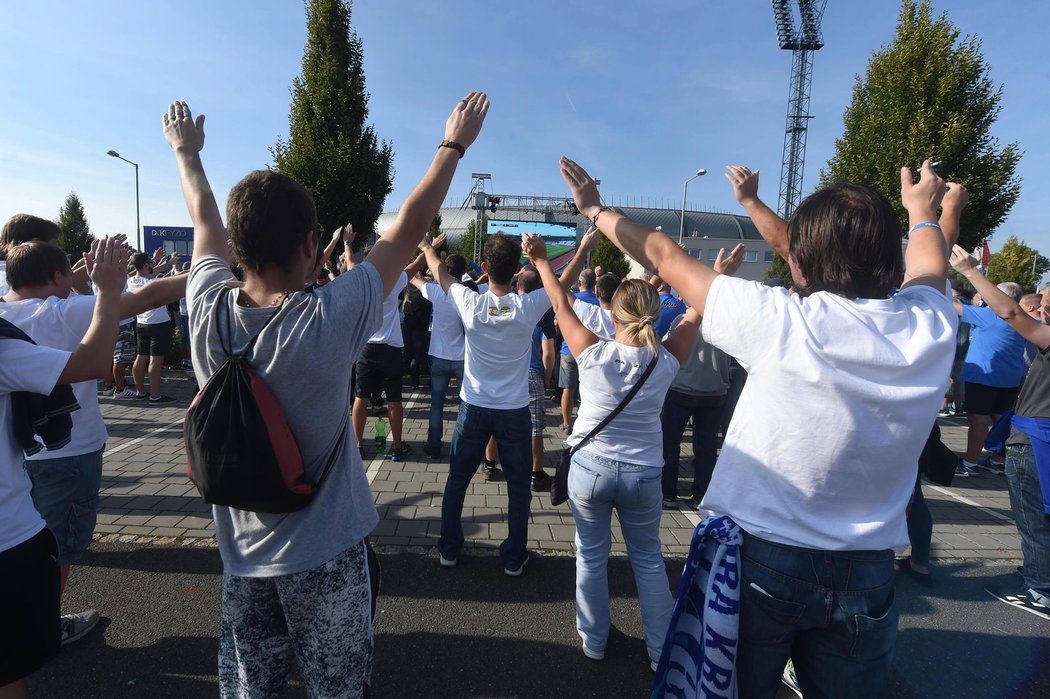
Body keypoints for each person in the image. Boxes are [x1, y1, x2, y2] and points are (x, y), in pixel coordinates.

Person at [559, 156, 961, 697]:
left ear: (797, 263)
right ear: (891, 256)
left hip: (763, 559)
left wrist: (595, 211)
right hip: (868, 568)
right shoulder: (930, 325)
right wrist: (925, 213)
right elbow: (931, 270)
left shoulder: (780, 319)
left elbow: (660, 252)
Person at [165, 93, 488, 697]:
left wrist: (187, 153)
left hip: (241, 554)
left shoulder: (206, 306)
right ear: (311, 245)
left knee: (248, 685)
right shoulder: (329, 317)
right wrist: (453, 144)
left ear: (238, 248)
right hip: (327, 551)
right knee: (336, 686)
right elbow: (410, 226)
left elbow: (204, 220)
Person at [522, 232, 703, 669]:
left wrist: (542, 259)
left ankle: (594, 640)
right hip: (644, 475)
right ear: (654, 314)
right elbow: (697, 311)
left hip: (590, 470)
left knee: (590, 555)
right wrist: (719, 275)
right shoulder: (666, 360)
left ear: (614, 314)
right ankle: (661, 651)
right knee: (648, 560)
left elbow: (559, 304)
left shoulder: (591, 352)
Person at [1, 240, 186, 645]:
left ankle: (30, 621)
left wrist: (86, 274)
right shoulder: (68, 310)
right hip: (71, 452)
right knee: (60, 544)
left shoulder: (4, 313)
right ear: (56, 277)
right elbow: (150, 294)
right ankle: (44, 626)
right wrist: (206, 271)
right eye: (69, 275)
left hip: (22, 453)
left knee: (27, 540)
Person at [0, 236, 127, 699]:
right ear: (56, 276)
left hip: (28, 475)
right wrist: (108, 291)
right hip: (18, 520)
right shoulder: (56, 316)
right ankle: (46, 627)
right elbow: (93, 362)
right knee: (9, 667)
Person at [418, 231, 550, 576]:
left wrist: (427, 247)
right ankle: (513, 557)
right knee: (519, 487)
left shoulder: (470, 301)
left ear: (486, 266)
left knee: (457, 480)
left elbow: (439, 272)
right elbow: (559, 284)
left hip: (473, 407)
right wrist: (552, 255)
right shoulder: (528, 306)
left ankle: (448, 548)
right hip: (514, 411)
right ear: (518, 270)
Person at [950, 246, 1050, 620]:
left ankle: (1039, 590)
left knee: (1032, 518)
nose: (1037, 310)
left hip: (1033, 436)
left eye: (1044, 307)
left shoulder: (1020, 326)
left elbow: (1006, 311)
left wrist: (971, 272)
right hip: (1023, 409)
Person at [659, 244, 745, 510]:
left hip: (682, 389)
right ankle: (701, 495)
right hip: (715, 391)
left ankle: (669, 493)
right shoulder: (726, 322)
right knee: (706, 447)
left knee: (670, 443)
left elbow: (668, 350)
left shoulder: (682, 322)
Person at [350, 245, 433, 461]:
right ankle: (397, 446)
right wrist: (429, 247)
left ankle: (357, 444)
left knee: (361, 397)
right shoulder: (393, 281)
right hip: (392, 348)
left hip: (366, 348)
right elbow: (416, 266)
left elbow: (350, 262)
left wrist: (347, 243)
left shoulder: (359, 283)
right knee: (394, 399)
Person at [953, 280, 1027, 475]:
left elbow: (953, 307)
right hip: (1010, 378)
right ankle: (997, 460)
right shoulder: (1022, 318)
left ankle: (970, 463)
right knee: (1001, 420)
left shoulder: (990, 315)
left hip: (984, 376)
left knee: (978, 419)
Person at [411, 253, 468, 460]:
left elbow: (412, 277)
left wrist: (426, 252)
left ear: (444, 270)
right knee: (464, 406)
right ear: (462, 273)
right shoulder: (466, 294)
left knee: (436, 404)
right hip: (462, 358)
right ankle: (461, 447)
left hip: (438, 355)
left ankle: (433, 445)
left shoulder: (435, 291)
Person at [516, 267, 556, 492]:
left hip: (511, 373)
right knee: (535, 428)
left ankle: (490, 463)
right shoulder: (543, 312)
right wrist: (547, 377)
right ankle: (535, 474)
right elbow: (548, 352)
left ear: (518, 286)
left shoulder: (509, 303)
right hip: (533, 373)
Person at [127, 252, 175, 403]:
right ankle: (155, 395)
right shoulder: (152, 283)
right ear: (146, 265)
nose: (153, 265)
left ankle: (140, 392)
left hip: (141, 323)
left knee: (141, 358)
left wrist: (163, 263)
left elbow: (149, 274)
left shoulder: (131, 281)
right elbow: (163, 279)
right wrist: (169, 263)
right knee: (156, 360)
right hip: (158, 324)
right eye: (150, 263)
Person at [558, 264, 599, 432]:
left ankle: (567, 423)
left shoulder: (572, 299)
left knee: (568, 389)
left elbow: (558, 321)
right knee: (588, 390)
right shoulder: (598, 300)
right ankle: (585, 423)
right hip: (591, 352)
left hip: (569, 351)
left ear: (580, 282)